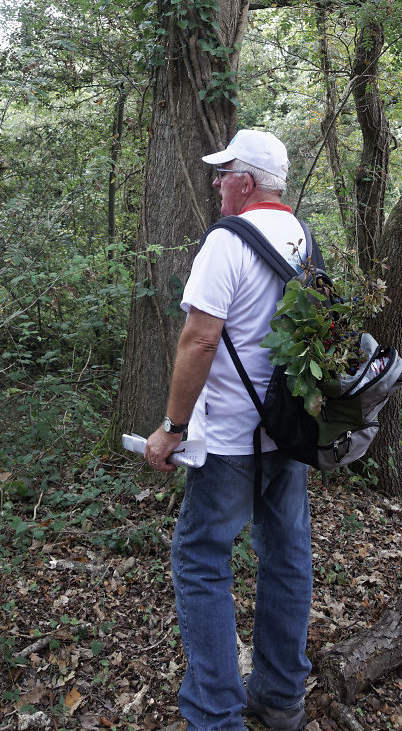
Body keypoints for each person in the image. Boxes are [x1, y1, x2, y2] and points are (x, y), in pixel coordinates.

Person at [145, 130, 312, 731]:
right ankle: (281, 697)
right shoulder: (300, 236)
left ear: (245, 182)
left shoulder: (226, 241)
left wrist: (172, 427)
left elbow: (200, 338)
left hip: (229, 440)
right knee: (287, 557)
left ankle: (216, 716)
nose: (216, 182)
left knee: (200, 559)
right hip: (286, 435)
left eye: (224, 174)